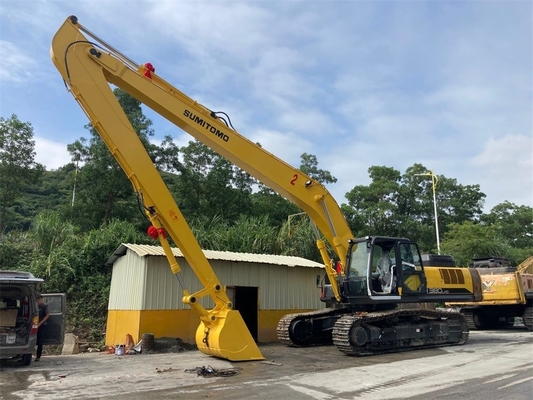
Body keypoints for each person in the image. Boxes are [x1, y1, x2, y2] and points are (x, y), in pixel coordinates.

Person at [35, 294, 49, 361]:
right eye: (37, 300)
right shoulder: (34, 306)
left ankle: (38, 356)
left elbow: (47, 315)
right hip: (34, 324)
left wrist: (40, 323)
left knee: (40, 342)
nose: (38, 301)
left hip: (42, 325)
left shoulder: (44, 306)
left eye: (39, 299)